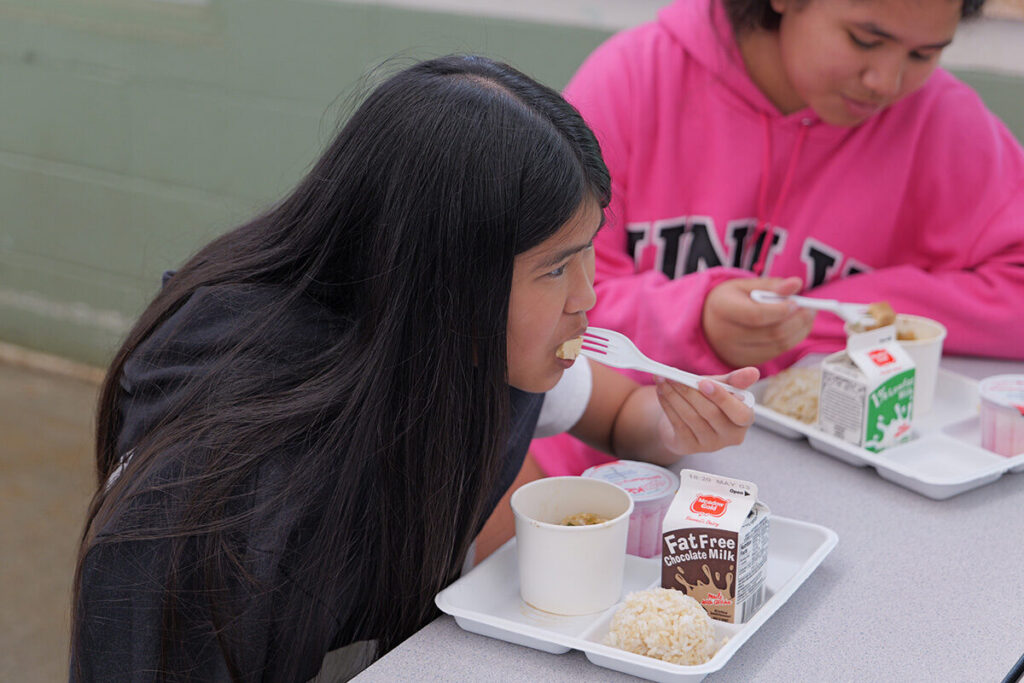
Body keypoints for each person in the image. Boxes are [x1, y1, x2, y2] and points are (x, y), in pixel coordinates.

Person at [69, 55, 758, 681]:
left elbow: (619, 415)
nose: (588, 296)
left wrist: (675, 423)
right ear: (445, 274)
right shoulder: (228, 480)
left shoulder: (466, 344)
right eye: (556, 267)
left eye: (588, 253)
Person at [531, 0, 1024, 476]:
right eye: (865, 40)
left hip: (810, 485)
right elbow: (534, 299)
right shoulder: (637, 77)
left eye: (924, 54)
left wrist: (830, 315)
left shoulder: (942, 120)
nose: (886, 82)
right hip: (577, 477)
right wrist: (695, 318)